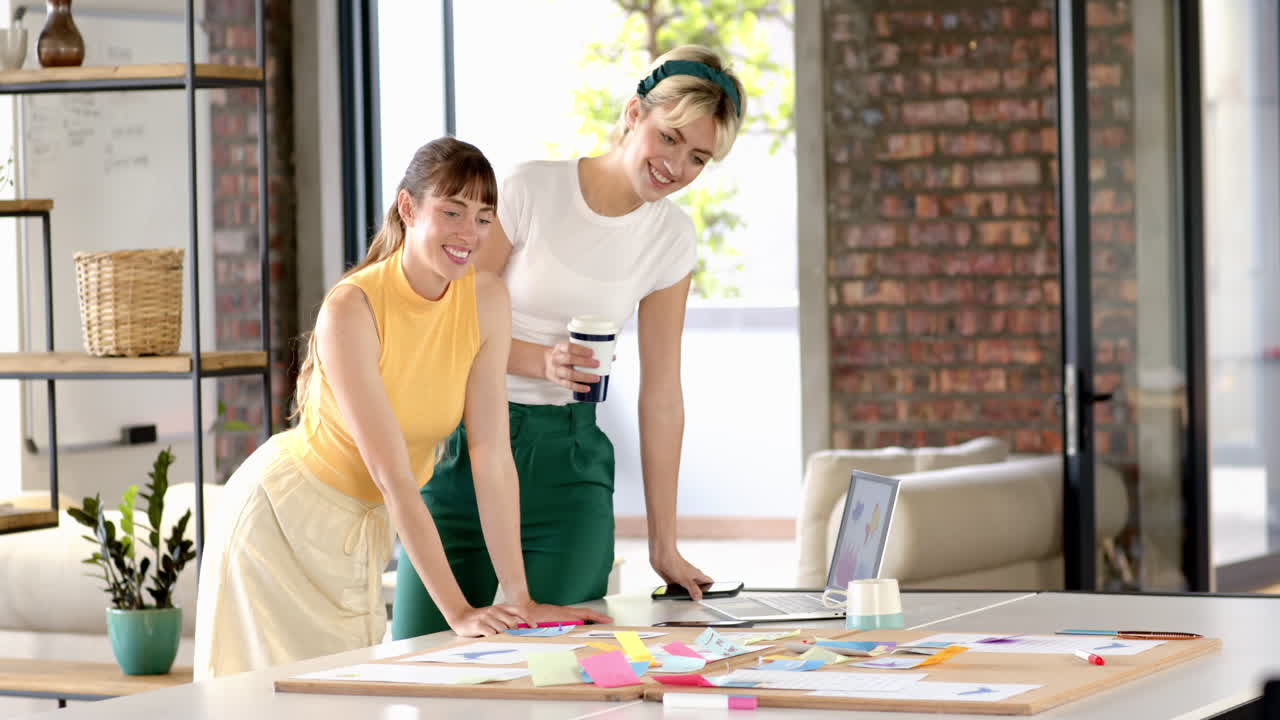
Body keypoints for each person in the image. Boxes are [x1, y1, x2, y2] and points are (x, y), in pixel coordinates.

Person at [193, 137, 609, 680]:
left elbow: (489, 453)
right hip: (279, 524)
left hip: (358, 532)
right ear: (408, 208)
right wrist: (458, 612)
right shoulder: (353, 307)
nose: (470, 234)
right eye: (452, 212)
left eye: (484, 218)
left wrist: (520, 597)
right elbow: (393, 479)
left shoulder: (486, 300)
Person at [392, 45, 747, 639]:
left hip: (569, 461)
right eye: (669, 137)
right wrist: (540, 360)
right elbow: (454, 324)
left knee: (562, 667)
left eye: (698, 157)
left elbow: (662, 394)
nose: (676, 165)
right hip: (464, 449)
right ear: (635, 113)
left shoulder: (671, 239)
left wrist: (665, 543)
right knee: (419, 654)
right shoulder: (532, 189)